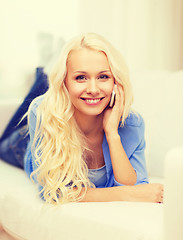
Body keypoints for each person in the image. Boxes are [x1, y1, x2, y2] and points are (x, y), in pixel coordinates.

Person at [0, 32, 163, 204]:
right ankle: (44, 70)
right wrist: (125, 195)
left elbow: (136, 186)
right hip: (21, 145)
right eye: (81, 77)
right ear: (65, 82)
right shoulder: (42, 112)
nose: (93, 89)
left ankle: (48, 65)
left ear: (116, 81)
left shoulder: (132, 124)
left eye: (103, 77)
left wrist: (112, 133)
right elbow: (51, 191)